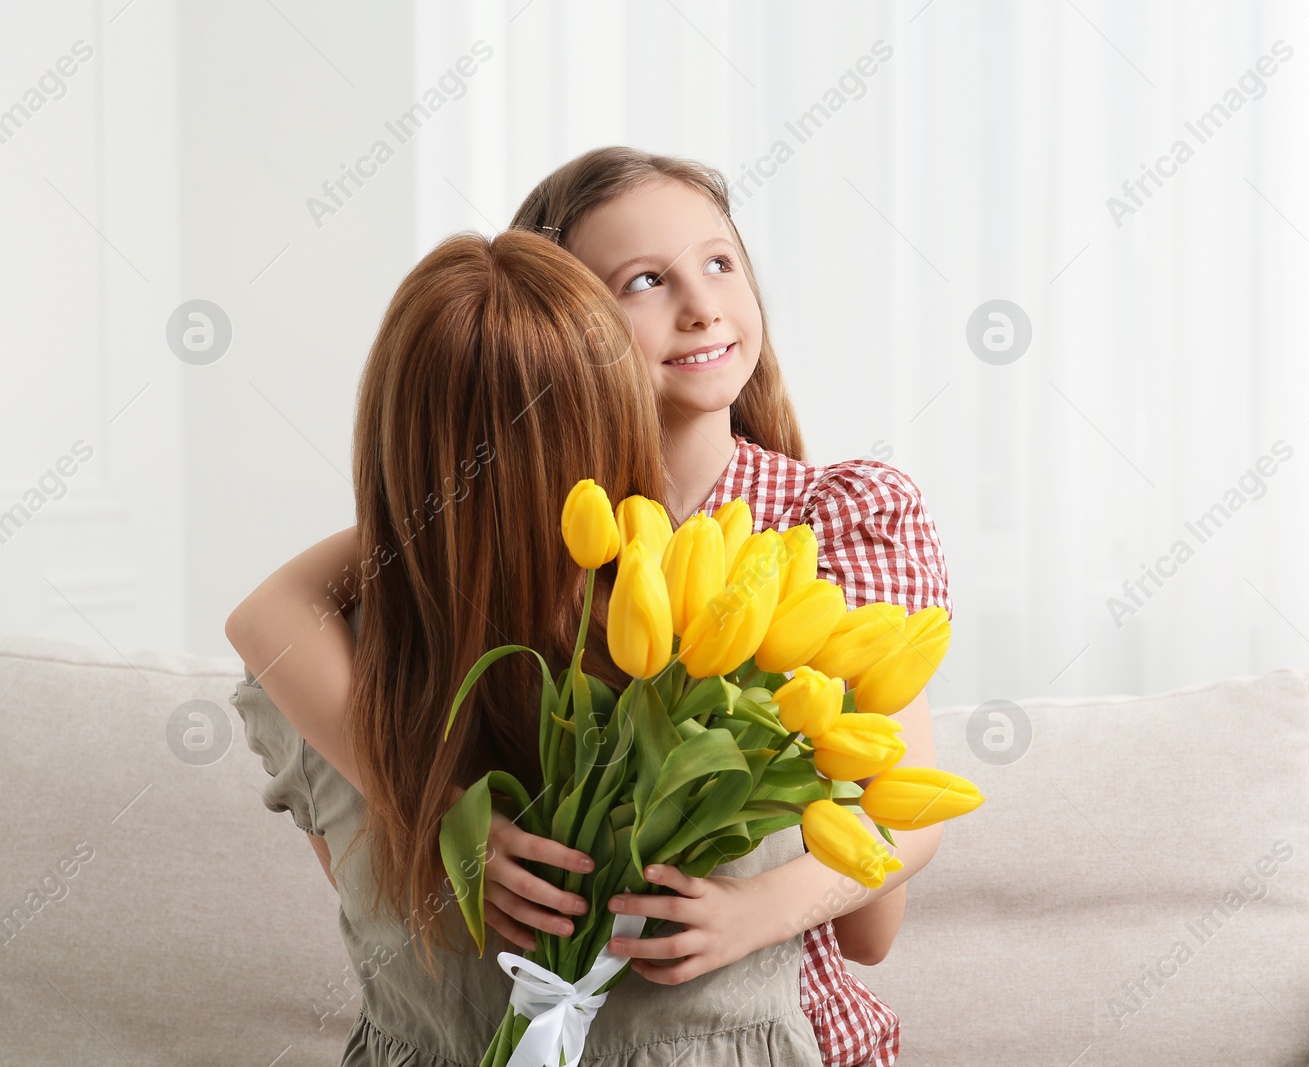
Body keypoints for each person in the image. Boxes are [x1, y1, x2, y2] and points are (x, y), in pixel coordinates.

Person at [229, 148, 952, 1067]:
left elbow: (889, 856)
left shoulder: (832, 519)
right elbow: (272, 614)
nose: (701, 304)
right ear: (564, 330)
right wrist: (437, 808)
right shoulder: (538, 527)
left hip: (771, 1014)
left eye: (720, 262)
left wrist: (753, 911)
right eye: (645, 280)